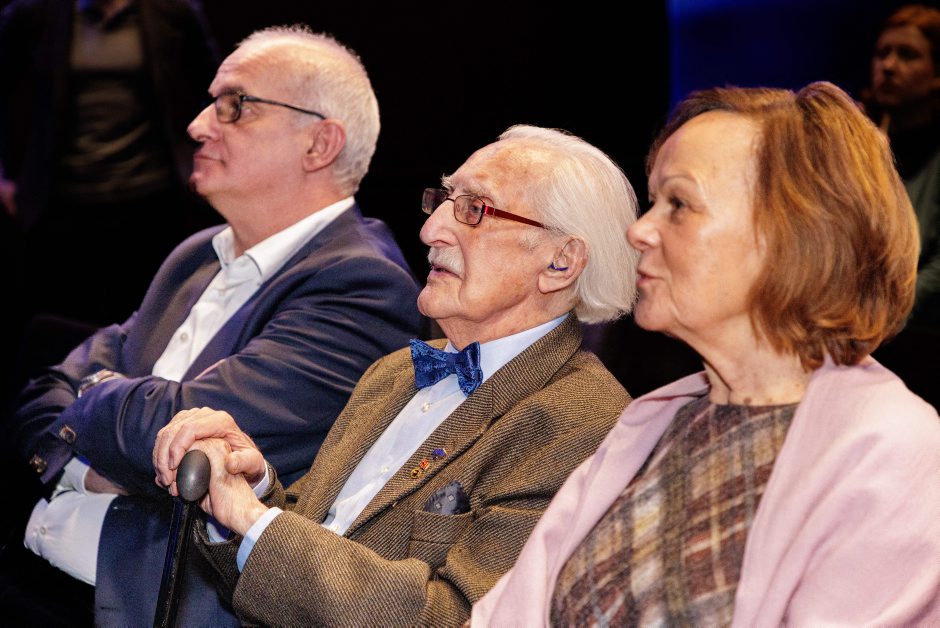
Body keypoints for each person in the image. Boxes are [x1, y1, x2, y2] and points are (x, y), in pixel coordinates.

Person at [472, 82, 940, 626]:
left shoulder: (893, 451)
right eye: (653, 202)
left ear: (793, 234)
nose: (638, 230)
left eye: (678, 204)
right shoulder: (653, 422)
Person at [2, 25, 423, 626]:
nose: (198, 125)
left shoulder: (363, 286)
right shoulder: (198, 253)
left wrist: (88, 404)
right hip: (28, 565)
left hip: (129, 607)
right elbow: (45, 388)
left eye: (234, 105)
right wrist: (95, 461)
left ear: (319, 144)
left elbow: (184, 438)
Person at [152, 124, 638, 626]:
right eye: (444, 200)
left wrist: (253, 519)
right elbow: (323, 538)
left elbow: (456, 618)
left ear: (561, 262)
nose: (431, 231)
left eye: (475, 209)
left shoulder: (586, 425)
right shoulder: (395, 371)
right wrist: (249, 487)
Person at [0, 0, 220, 410]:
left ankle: (134, 415)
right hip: (62, 202)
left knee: (143, 326)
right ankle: (54, 419)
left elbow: (213, 90)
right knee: (59, 328)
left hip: (151, 198)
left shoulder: (171, 12)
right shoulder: (36, 13)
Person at [865, 4, 940, 406]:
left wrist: (883, 312)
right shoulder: (856, 141)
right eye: (882, 53)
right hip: (860, 334)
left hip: (923, 343)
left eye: (907, 55)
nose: (889, 66)